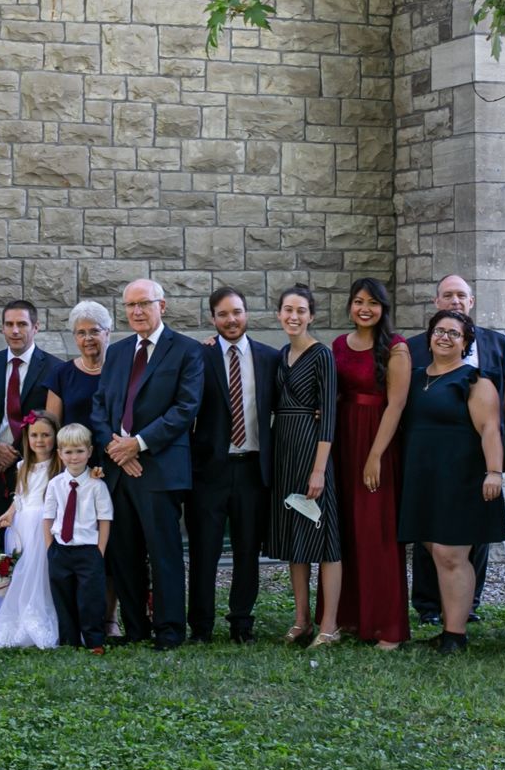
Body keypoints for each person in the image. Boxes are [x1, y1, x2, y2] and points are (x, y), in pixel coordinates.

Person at [90, 278, 204, 650]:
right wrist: (116, 449)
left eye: (144, 303)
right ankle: (136, 627)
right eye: (130, 305)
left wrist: (137, 445)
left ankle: (169, 630)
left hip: (159, 469)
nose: (137, 311)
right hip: (119, 471)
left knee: (163, 553)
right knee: (124, 553)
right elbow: (99, 406)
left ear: (162, 306)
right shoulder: (118, 352)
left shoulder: (186, 350)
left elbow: (185, 408)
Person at [396, 309, 505, 653]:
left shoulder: (475, 381)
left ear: (465, 342)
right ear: (429, 338)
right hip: (423, 478)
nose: (445, 337)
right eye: (439, 331)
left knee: (451, 554)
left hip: (460, 477)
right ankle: (449, 627)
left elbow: (490, 429)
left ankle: (455, 635)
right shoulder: (414, 378)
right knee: (436, 551)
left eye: (453, 333)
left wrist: (494, 471)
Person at [186, 285, 278, 644]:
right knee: (204, 550)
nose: (231, 319)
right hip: (210, 470)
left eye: (236, 312)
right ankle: (202, 626)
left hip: (253, 469)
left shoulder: (269, 358)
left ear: (246, 314)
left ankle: (242, 622)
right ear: (213, 319)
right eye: (223, 314)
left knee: (247, 551)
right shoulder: (199, 355)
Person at [332, 278, 411, 649]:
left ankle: (386, 626)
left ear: (383, 308)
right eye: (358, 301)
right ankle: (349, 616)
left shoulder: (396, 348)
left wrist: (375, 455)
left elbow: (396, 405)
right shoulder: (338, 345)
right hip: (343, 439)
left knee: (376, 531)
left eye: (373, 303)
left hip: (377, 439)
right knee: (347, 529)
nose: (365, 309)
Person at [269, 285, 341, 644]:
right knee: (294, 538)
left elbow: (328, 414)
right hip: (284, 452)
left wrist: (318, 469)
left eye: (300, 310)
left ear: (311, 316)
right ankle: (302, 620)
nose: (293, 316)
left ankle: (329, 625)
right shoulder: (281, 355)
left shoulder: (322, 355)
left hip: (313, 452)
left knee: (325, 539)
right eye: (287, 310)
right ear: (279, 314)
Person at [0, 299, 62, 554]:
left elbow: (51, 419)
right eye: (9, 324)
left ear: (35, 327)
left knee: (30, 540)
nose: (15, 330)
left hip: (35, 466)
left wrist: (13, 452)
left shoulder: (54, 368)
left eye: (22, 324)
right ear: (2, 327)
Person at [0, 412, 61, 650]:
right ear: (27, 438)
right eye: (34, 435)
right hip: (21, 526)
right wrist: (9, 514)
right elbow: (19, 497)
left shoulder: (58, 466)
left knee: (39, 571)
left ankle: (40, 614)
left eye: (46, 435)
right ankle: (18, 616)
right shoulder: (23, 466)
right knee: (21, 571)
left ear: (55, 437)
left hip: (43, 525)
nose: (40, 440)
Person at [44, 423, 114, 653]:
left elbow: (105, 519)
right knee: (63, 596)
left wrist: (99, 550)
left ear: (90, 451)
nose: (74, 457)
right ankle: (69, 641)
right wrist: (50, 548)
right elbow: (48, 517)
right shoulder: (55, 484)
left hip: (88, 550)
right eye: (68, 452)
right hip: (61, 550)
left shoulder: (97, 486)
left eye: (79, 451)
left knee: (91, 598)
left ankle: (95, 641)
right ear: (59, 454)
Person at [45, 301, 110, 441]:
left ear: (107, 333)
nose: (88, 338)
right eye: (81, 333)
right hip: (74, 453)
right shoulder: (60, 374)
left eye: (94, 331)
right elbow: (52, 428)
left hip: (114, 451)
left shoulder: (121, 370)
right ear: (75, 338)